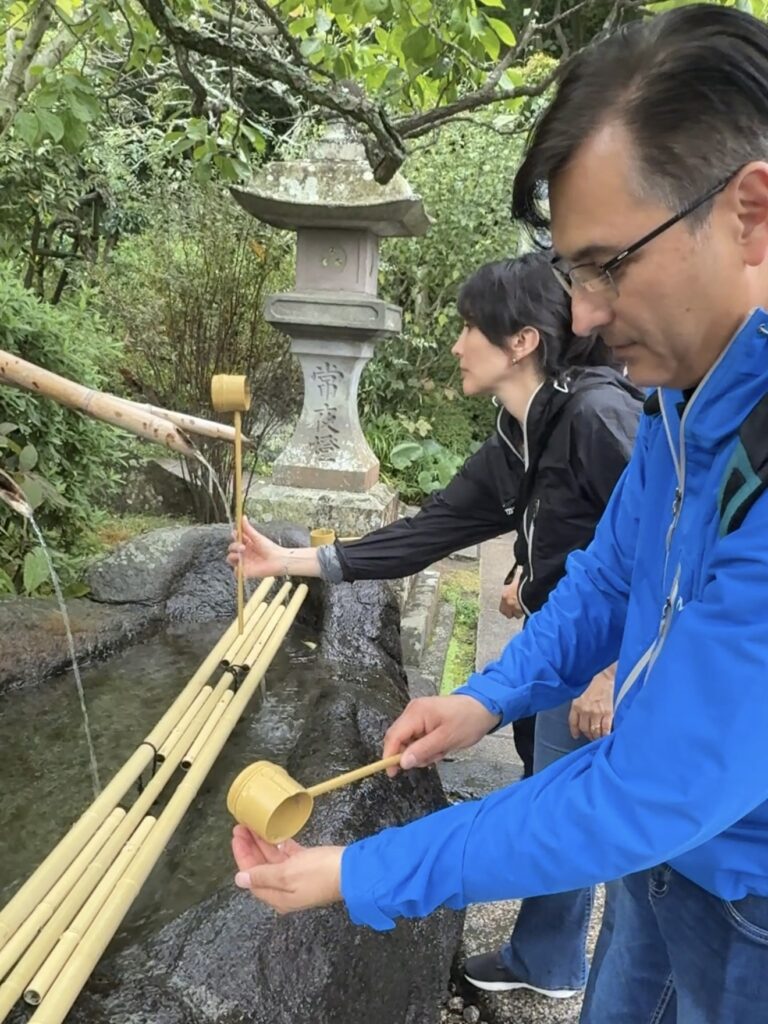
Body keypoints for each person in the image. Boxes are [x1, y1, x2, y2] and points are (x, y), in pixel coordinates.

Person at [231, 6, 768, 1022]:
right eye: (571, 272)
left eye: (609, 264)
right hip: (670, 864)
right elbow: (608, 579)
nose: (587, 315)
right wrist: (486, 699)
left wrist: (365, 869)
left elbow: (646, 789)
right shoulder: (675, 397)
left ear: (750, 210)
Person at [229, 252, 642, 999]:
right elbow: (430, 532)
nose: (455, 344)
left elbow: (657, 555)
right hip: (558, 648)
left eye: (466, 328)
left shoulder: (601, 415)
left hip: (626, 662)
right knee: (546, 791)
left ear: (520, 341)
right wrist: (289, 562)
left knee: (603, 830)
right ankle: (546, 962)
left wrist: (619, 672)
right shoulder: (521, 433)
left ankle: (587, 976)